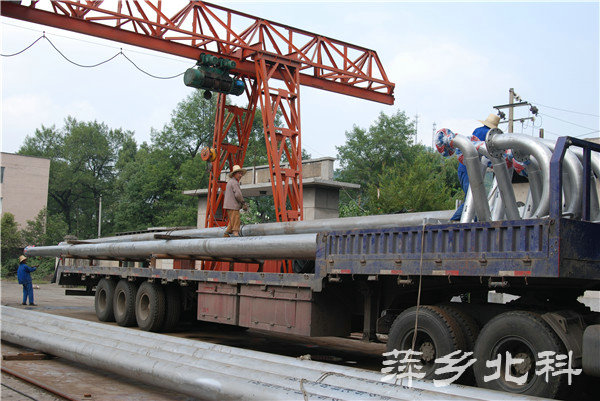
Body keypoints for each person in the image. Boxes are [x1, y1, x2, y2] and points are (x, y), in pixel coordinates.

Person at [451, 113, 500, 221]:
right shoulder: (491, 135)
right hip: (471, 169)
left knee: (473, 197)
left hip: (464, 167)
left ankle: (474, 221)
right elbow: (487, 152)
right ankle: (454, 220)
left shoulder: (477, 130)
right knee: (473, 197)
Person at [223, 165, 248, 237]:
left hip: (229, 206)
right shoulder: (234, 182)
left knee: (232, 222)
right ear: (234, 174)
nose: (241, 175)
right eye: (239, 173)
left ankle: (226, 234)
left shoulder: (230, 182)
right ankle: (236, 237)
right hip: (233, 206)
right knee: (236, 223)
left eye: (241, 174)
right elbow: (238, 195)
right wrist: (243, 203)